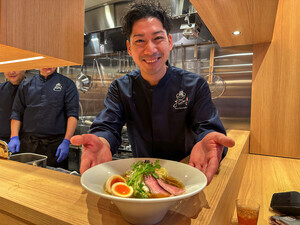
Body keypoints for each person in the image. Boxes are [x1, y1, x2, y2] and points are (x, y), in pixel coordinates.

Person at [71, 0, 235, 184]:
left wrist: (208, 138)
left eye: (158, 38)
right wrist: (102, 141)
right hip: (142, 179)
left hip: (186, 177)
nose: (150, 49)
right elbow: (108, 126)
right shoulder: (120, 88)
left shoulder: (195, 85)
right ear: (129, 48)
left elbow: (208, 127)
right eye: (140, 40)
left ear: (170, 41)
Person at [9, 67, 79, 169]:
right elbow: (16, 113)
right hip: (28, 143)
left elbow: (72, 115)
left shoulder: (67, 84)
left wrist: (66, 141)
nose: (47, 65)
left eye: (51, 62)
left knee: (53, 179)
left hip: (55, 146)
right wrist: (14, 137)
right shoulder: (26, 84)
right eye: (44, 62)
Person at [0, 71, 26, 144]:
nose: (11, 72)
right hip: (2, 141)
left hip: (26, 142)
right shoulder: (1, 89)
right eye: (8, 69)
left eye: (16, 68)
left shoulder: (32, 88)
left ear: (25, 68)